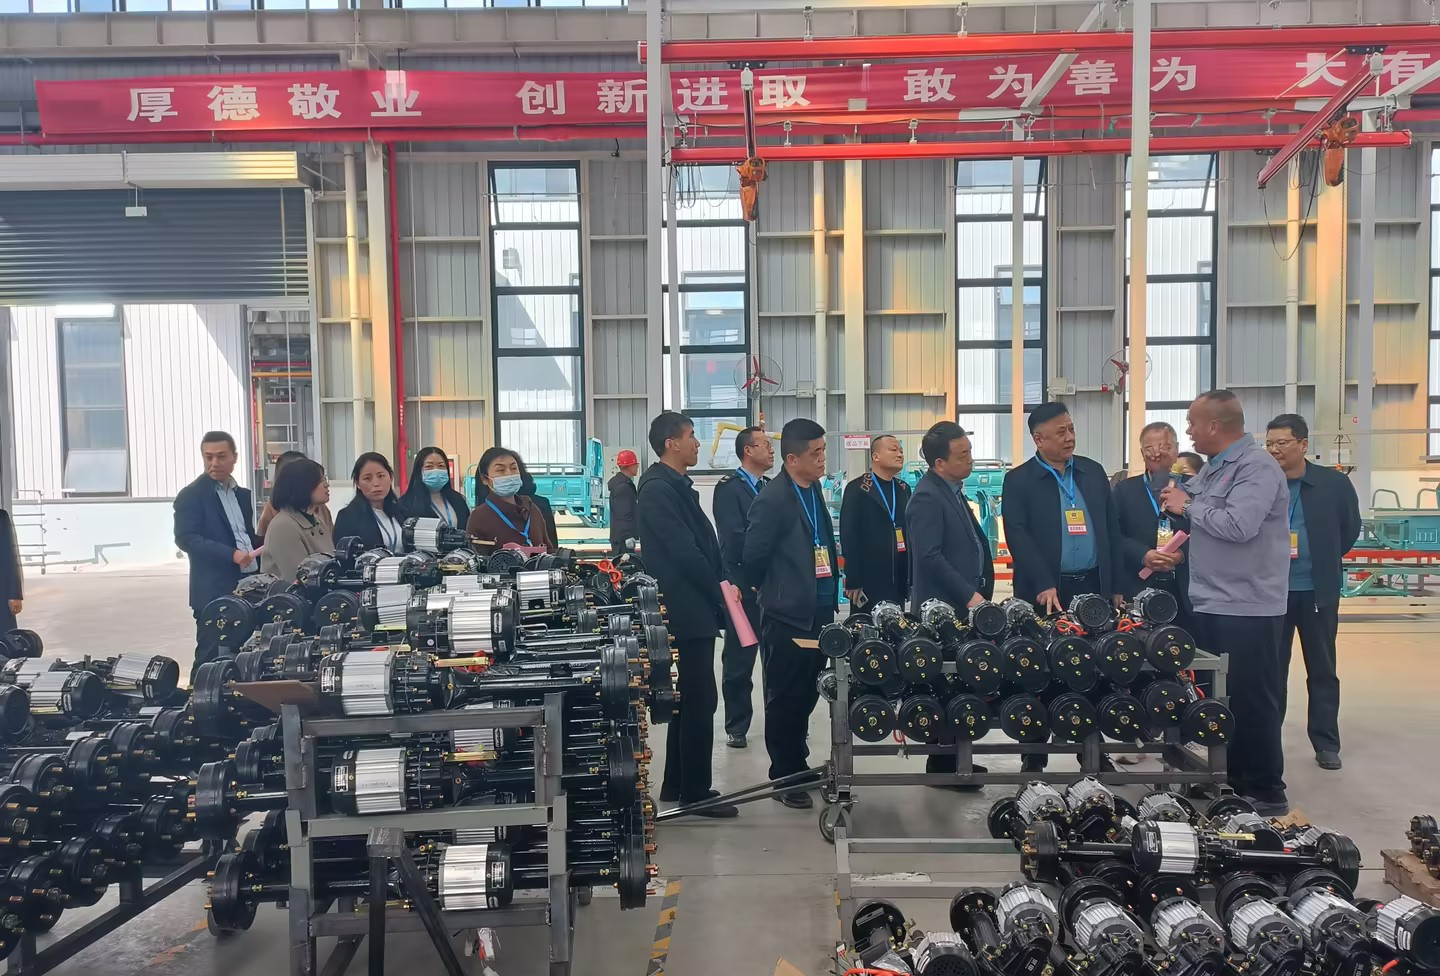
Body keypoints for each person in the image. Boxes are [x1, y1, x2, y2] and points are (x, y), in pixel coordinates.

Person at [1160, 390, 1291, 816]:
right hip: (1214, 599)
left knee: (1252, 697)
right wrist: (1179, 506)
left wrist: (1188, 505)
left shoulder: (1257, 467)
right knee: (1222, 698)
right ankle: (1231, 777)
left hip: (1247, 604)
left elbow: (1239, 524)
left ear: (1215, 426)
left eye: (1192, 423)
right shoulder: (1217, 468)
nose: (1189, 431)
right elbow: (1197, 514)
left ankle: (1265, 788)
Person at [635, 412, 735, 817]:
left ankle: (676, 783)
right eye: (692, 436)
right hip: (683, 606)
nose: (697, 443)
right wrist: (718, 592)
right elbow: (684, 552)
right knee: (700, 698)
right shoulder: (658, 489)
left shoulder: (677, 485)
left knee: (690, 697)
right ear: (671, 444)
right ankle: (696, 791)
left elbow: (701, 546)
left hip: (693, 603)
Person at [742, 418, 838, 811]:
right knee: (784, 695)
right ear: (792, 459)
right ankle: (784, 775)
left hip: (818, 609)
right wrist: (775, 591)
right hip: (787, 615)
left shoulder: (813, 490)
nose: (823, 459)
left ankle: (796, 762)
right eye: (815, 453)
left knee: (808, 691)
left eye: (824, 450)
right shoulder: (774, 499)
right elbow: (753, 557)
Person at [1266, 413, 1362, 771]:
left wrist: (1323, 556)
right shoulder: (1263, 484)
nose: (1274, 450)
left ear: (1303, 444)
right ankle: (1267, 739)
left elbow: (1349, 529)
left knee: (1322, 669)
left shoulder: (1332, 484)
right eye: (1269, 444)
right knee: (1272, 671)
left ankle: (1326, 743)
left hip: (1317, 591)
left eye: (1282, 443)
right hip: (1272, 592)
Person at [907, 421, 994, 787]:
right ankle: (943, 766)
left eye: (970, 452)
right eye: (962, 455)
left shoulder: (953, 490)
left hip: (962, 605)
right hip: (943, 611)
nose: (970, 460)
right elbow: (929, 556)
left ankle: (957, 761)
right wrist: (968, 595)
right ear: (939, 463)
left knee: (961, 684)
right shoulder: (928, 497)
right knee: (944, 686)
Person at [1002, 402, 1124, 615]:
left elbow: (1111, 530)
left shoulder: (1093, 472)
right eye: (1061, 432)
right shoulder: (1018, 481)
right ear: (1039, 440)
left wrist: (1116, 585)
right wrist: (1042, 582)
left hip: (1094, 584)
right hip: (1047, 590)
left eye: (1071, 429)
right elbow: (1018, 538)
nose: (1070, 437)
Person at [173, 431, 261, 673]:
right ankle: (198, 695)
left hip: (249, 583)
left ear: (234, 457)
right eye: (208, 457)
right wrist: (230, 554)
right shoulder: (192, 495)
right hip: (214, 588)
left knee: (244, 653)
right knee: (210, 655)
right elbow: (186, 538)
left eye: (221, 456)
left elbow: (245, 535)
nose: (214, 463)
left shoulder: (242, 495)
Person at [713, 426, 773, 749]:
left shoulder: (770, 486)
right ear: (748, 451)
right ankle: (737, 725)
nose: (771, 449)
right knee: (739, 660)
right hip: (741, 585)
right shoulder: (729, 489)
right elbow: (733, 538)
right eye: (764, 444)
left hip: (772, 586)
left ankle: (780, 720)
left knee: (776, 659)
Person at [1113, 421, 1193, 632]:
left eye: (1164, 446)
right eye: (1149, 448)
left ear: (1176, 449)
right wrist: (1142, 554)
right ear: (1141, 453)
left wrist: (1182, 554)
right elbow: (1114, 535)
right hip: (1138, 588)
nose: (1157, 453)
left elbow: (1209, 531)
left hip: (1187, 588)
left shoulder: (1197, 487)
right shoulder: (1124, 490)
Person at [840, 434, 912, 610]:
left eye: (901, 451)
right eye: (893, 450)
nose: (900, 454)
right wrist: (853, 578)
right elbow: (849, 536)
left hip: (898, 578)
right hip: (867, 581)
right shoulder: (858, 489)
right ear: (876, 456)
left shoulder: (903, 489)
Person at [466, 448, 557, 553]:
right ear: (485, 479)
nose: (509, 473)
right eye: (501, 470)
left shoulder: (532, 509)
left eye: (514, 468)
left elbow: (549, 549)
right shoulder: (479, 517)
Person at [262, 458, 334, 581]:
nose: (326, 485)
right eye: (321, 480)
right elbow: (298, 578)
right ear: (302, 486)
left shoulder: (317, 521)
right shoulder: (283, 526)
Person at [334, 453, 409, 552]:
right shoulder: (347, 517)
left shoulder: (403, 511)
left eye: (381, 476)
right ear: (357, 483)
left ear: (391, 477)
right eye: (367, 478)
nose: (376, 484)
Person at [400, 447, 471, 529]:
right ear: (419, 472)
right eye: (429, 466)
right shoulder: (405, 504)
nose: (436, 470)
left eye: (441, 466)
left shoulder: (458, 500)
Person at [607, 449, 641, 555]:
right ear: (629, 466)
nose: (637, 467)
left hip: (620, 538)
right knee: (625, 564)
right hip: (623, 540)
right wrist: (627, 536)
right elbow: (623, 513)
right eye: (636, 464)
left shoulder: (623, 484)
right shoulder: (623, 487)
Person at [0, 508, 22, 633]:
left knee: (4, 636)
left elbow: (10, 556)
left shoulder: (1, 518)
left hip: (1, 590)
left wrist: (14, 594)